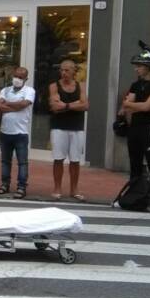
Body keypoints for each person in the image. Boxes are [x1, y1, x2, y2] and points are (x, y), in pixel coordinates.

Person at [119, 44, 150, 211]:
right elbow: (126, 105)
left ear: (149, 67)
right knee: (135, 162)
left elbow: (145, 106)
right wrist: (141, 106)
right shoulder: (136, 84)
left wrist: (137, 105)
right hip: (136, 127)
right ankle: (134, 195)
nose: (137, 69)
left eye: (140, 66)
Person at [48, 59, 90, 200]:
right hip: (59, 127)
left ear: (74, 71)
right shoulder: (54, 86)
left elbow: (85, 106)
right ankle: (57, 188)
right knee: (58, 158)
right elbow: (54, 107)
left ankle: (74, 189)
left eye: (67, 70)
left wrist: (64, 106)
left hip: (76, 127)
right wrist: (75, 104)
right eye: (61, 70)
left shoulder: (81, 86)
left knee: (75, 160)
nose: (64, 73)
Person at [0, 67, 35, 198]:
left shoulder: (29, 91)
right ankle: (4, 184)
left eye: (21, 77)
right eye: (16, 76)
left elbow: (24, 104)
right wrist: (15, 106)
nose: (17, 79)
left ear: (26, 79)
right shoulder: (5, 90)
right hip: (5, 132)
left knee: (22, 162)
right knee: (5, 161)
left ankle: (21, 187)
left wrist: (8, 104)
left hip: (21, 133)